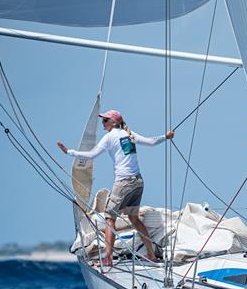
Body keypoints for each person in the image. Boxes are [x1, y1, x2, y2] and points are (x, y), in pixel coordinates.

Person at [57, 109, 173, 266]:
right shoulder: (129, 134)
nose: (102, 123)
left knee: (109, 219)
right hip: (138, 182)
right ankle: (151, 255)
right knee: (133, 218)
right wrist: (165, 137)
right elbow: (151, 142)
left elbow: (91, 155)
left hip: (123, 183)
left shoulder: (109, 137)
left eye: (105, 120)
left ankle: (108, 258)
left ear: (114, 122)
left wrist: (69, 152)